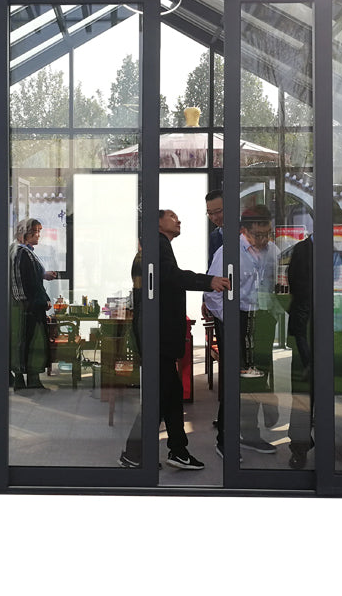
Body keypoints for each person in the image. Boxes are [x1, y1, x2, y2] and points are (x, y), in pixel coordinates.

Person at [119, 210, 230, 470]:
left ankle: (177, 450)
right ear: (158, 222)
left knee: (170, 394)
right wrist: (209, 281)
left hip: (157, 332)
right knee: (160, 396)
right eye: (172, 216)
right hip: (157, 333)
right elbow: (173, 276)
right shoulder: (157, 244)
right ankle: (135, 453)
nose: (178, 220)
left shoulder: (155, 245)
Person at [204, 205, 282, 457]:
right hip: (236, 318)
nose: (263, 240)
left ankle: (250, 434)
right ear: (244, 231)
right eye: (258, 235)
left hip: (262, 319)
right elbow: (212, 293)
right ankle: (225, 439)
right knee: (234, 380)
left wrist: (273, 314)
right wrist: (229, 321)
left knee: (258, 376)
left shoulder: (274, 252)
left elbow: (275, 286)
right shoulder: (228, 252)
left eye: (267, 234)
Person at [286, 231, 342, 470]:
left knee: (341, 392)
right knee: (303, 393)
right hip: (309, 332)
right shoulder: (301, 250)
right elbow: (298, 290)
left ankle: (340, 445)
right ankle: (299, 447)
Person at [9, 218, 52, 391]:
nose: (38, 235)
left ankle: (25, 379)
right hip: (28, 306)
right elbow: (20, 281)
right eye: (35, 231)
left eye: (39, 231)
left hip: (28, 305)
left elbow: (29, 277)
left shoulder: (24, 252)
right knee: (30, 341)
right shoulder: (20, 252)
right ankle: (28, 379)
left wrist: (43, 276)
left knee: (24, 341)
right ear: (25, 233)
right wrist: (28, 302)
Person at [205, 189, 224, 266]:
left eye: (218, 212)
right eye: (210, 213)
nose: (214, 218)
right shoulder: (215, 236)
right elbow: (212, 266)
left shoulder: (247, 232)